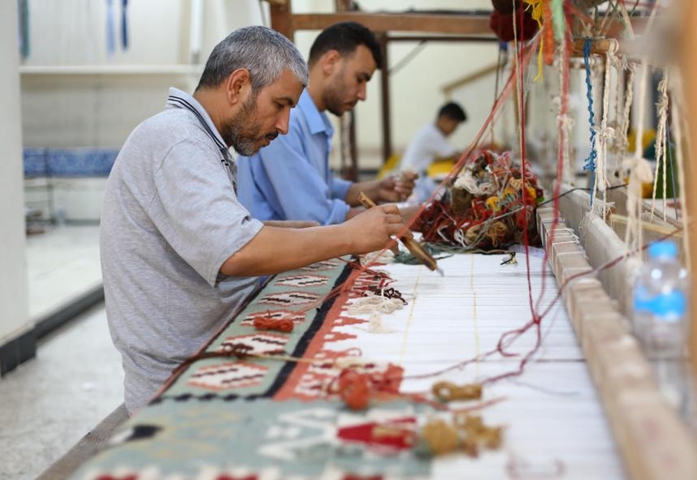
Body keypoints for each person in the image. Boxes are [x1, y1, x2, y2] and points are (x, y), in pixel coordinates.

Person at [100, 26, 407, 414]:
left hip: (213, 344)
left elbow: (227, 232)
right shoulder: (177, 141)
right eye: (280, 105)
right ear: (238, 85)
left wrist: (302, 232)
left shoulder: (202, 141)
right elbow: (237, 253)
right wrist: (347, 235)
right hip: (181, 377)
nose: (283, 125)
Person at [237, 22, 416, 225]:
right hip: (273, 253)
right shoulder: (287, 123)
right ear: (330, 62)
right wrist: (410, 215)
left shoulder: (314, 123)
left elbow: (323, 187)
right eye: (359, 79)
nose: (363, 94)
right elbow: (314, 217)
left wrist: (377, 189)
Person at [398, 101, 467, 202]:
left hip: (415, 179)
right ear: (445, 119)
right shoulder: (432, 134)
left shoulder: (429, 130)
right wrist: (477, 151)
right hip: (415, 182)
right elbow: (459, 157)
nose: (454, 131)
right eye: (454, 126)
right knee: (448, 198)